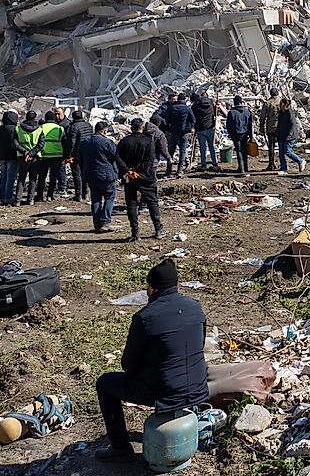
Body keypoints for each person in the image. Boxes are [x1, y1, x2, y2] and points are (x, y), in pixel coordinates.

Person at [93, 259, 207, 463]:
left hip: (163, 393)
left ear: (151, 289)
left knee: (105, 383)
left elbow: (128, 365)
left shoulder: (145, 318)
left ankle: (120, 447)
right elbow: (198, 345)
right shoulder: (195, 307)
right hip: (199, 388)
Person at [117, 118, 163, 242]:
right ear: (142, 127)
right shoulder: (148, 141)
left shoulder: (124, 141)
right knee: (152, 202)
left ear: (131, 127)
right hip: (146, 177)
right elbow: (150, 160)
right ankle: (158, 229)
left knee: (131, 204)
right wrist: (136, 170)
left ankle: (135, 232)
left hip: (129, 177)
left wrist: (128, 170)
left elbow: (118, 158)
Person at [76, 121, 120, 233]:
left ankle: (96, 224)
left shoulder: (84, 143)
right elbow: (115, 156)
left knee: (96, 200)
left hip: (90, 176)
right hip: (106, 175)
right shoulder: (107, 142)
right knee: (109, 197)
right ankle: (105, 221)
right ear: (104, 130)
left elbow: (80, 160)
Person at [33, 110, 66, 203]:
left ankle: (39, 195)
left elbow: (37, 142)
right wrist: (65, 155)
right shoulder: (60, 128)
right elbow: (64, 142)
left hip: (44, 156)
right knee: (53, 177)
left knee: (42, 176)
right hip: (57, 156)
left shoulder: (40, 128)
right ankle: (50, 195)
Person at [0, 110, 22, 207]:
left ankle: (2, 196)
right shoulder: (16, 129)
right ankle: (8, 197)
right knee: (10, 178)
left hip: (1, 156)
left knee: (3, 176)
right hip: (13, 156)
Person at [62, 110, 94, 201]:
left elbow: (72, 142)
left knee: (77, 175)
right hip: (87, 153)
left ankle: (78, 195)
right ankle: (86, 193)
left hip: (77, 154)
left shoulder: (73, 127)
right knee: (85, 173)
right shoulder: (89, 125)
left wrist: (68, 155)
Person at [14, 111, 42, 206]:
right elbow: (41, 144)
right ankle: (31, 200)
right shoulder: (39, 129)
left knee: (21, 179)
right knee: (33, 179)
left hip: (22, 157)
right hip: (34, 158)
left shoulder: (18, 128)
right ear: (35, 118)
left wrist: (25, 152)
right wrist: (31, 153)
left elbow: (15, 143)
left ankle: (18, 200)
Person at [165, 94, 196, 177]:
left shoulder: (172, 108)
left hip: (173, 133)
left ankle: (168, 170)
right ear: (184, 99)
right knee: (182, 152)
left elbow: (166, 120)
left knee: (170, 152)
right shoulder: (187, 109)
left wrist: (170, 128)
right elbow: (193, 121)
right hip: (183, 134)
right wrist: (187, 128)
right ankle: (179, 170)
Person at [191, 91, 220, 170]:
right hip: (210, 127)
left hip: (200, 129)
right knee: (212, 146)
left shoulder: (195, 106)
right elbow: (215, 113)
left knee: (202, 147)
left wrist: (193, 127)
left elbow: (193, 118)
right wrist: (216, 107)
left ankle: (203, 164)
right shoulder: (210, 103)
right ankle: (215, 163)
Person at [276, 98, 306, 174]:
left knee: (288, 151)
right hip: (281, 135)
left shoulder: (290, 112)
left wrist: (289, 135)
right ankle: (283, 168)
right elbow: (279, 124)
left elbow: (292, 125)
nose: (280, 106)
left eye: (282, 104)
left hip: (289, 136)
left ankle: (300, 161)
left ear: (285, 105)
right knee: (281, 153)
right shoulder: (281, 113)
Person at [225, 97, 253, 175]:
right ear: (241, 102)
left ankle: (241, 168)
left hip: (236, 134)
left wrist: (230, 134)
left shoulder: (231, 112)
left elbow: (228, 125)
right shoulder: (247, 112)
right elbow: (250, 125)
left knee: (239, 150)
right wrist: (251, 135)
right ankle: (246, 167)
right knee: (244, 150)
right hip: (245, 134)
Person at [258, 89, 280, 172]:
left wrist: (261, 127)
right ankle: (282, 164)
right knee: (282, 146)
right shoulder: (282, 102)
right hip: (281, 128)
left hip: (271, 128)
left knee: (271, 146)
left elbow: (262, 117)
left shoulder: (267, 103)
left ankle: (271, 164)